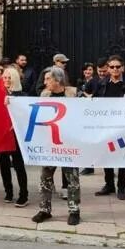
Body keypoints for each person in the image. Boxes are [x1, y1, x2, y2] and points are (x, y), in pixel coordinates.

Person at [32, 67, 81, 225]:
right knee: (45, 177)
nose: (45, 82)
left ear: (58, 80)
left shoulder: (74, 94)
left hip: (69, 143)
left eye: (48, 79)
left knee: (72, 179)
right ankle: (45, 210)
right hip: (49, 143)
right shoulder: (44, 95)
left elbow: (87, 110)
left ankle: (74, 211)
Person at [93, 54, 125, 199]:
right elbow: (94, 102)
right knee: (107, 155)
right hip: (106, 127)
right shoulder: (101, 84)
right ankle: (109, 185)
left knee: (124, 157)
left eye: (117, 67)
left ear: (123, 68)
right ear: (108, 68)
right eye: (111, 67)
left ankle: (121, 187)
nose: (114, 69)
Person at [0, 67, 29, 206]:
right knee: (3, 164)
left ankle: (24, 194)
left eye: (9, 77)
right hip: (2, 134)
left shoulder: (22, 96)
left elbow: (24, 115)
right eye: (4, 77)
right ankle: (8, 192)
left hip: (16, 135)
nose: (6, 80)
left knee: (18, 165)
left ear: (15, 79)